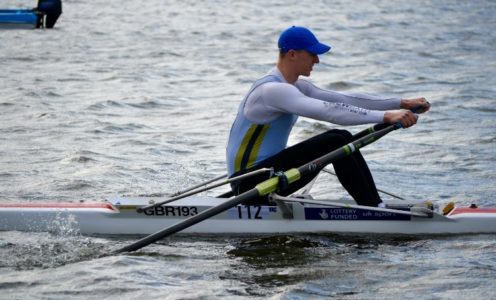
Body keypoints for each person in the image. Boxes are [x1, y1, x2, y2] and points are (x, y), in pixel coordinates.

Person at [225, 26, 430, 207]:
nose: (317, 60)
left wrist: (402, 103)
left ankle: (374, 203)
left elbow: (346, 100)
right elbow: (329, 111)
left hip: (268, 177)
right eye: (312, 54)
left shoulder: (296, 86)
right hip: (249, 185)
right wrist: (386, 116)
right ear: (292, 54)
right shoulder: (272, 90)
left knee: (341, 138)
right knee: (334, 140)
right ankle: (374, 208)